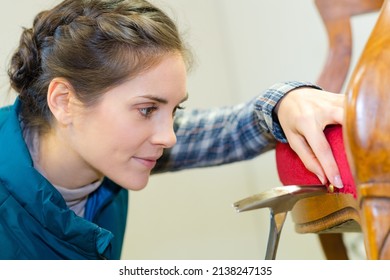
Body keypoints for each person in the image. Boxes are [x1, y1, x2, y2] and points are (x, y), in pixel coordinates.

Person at [0, 0, 344, 260]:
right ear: (63, 101)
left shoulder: (107, 150)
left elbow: (228, 131)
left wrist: (286, 100)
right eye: (147, 109)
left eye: (173, 110)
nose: (170, 137)